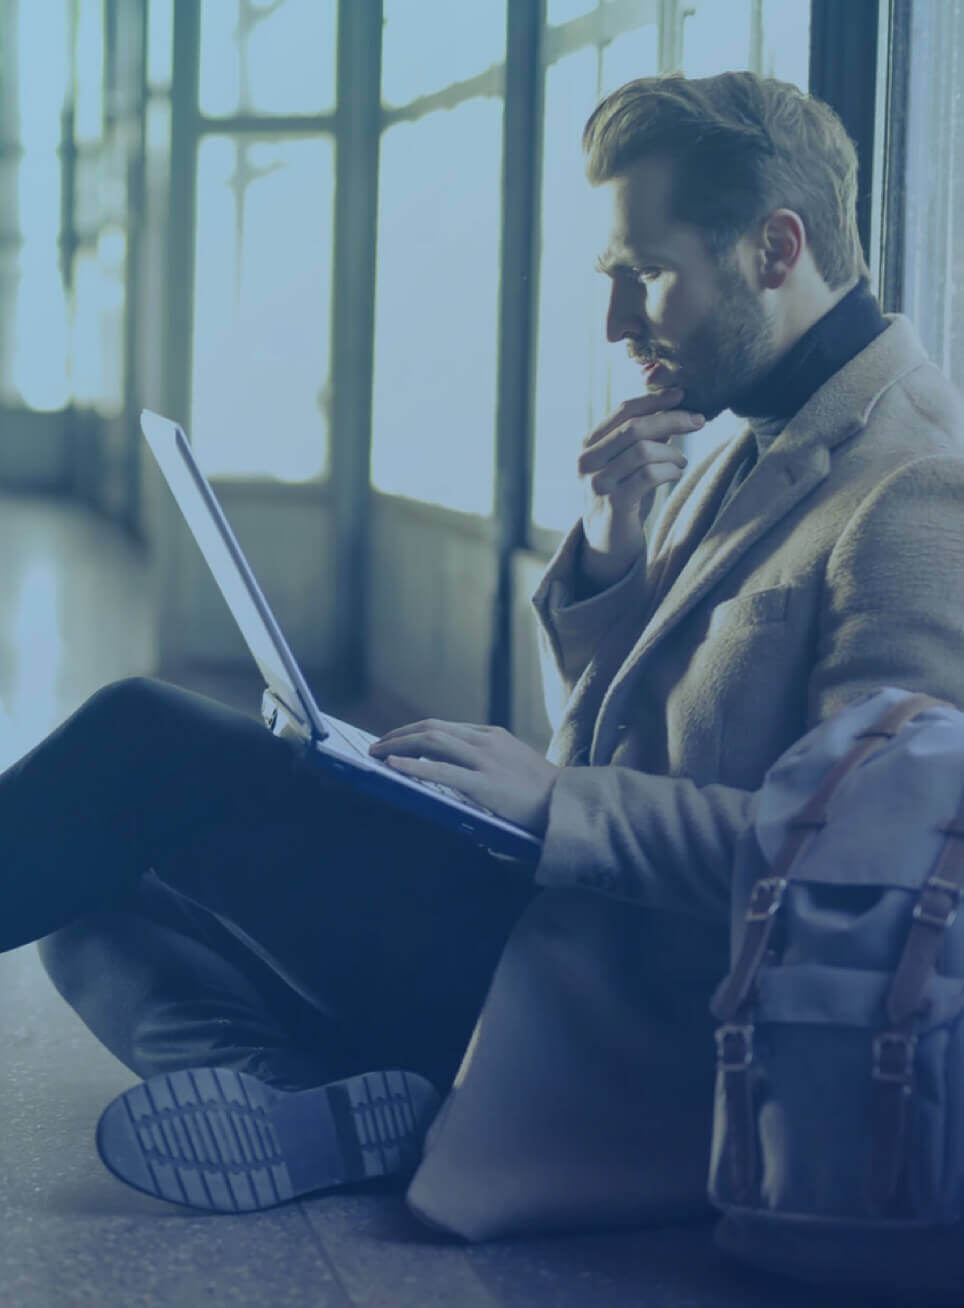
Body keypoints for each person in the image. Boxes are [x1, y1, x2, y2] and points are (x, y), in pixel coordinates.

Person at [13, 67, 964, 1226]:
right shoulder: (735, 432)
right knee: (94, 903)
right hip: (542, 931)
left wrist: (558, 800)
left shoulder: (913, 487)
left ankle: (407, 1097)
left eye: (647, 276)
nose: (618, 324)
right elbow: (654, 726)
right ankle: (343, 1101)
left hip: (629, 1008)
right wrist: (615, 558)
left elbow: (876, 875)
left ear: (775, 248)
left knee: (142, 743)